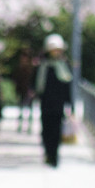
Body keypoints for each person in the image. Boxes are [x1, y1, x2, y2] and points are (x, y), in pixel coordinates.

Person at [34, 33, 73, 166]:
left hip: (58, 105)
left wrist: (70, 105)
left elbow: (68, 86)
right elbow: (36, 84)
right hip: (45, 104)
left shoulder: (64, 66)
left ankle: (54, 156)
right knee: (46, 130)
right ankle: (47, 152)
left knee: (56, 131)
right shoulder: (42, 66)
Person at [13, 49, 37, 133]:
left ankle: (29, 127)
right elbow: (16, 81)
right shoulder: (19, 68)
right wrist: (16, 92)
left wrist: (33, 90)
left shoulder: (32, 68)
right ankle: (20, 126)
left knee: (30, 109)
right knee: (20, 109)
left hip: (29, 91)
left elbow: (34, 80)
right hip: (21, 91)